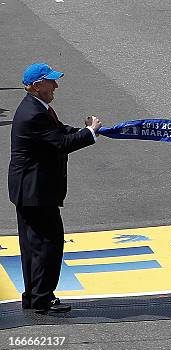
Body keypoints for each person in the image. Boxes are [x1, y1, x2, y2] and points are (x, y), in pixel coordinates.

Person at [8, 63, 102, 313]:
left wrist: (86, 131)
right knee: (47, 244)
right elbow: (61, 142)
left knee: (33, 246)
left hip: (29, 189)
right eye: (51, 82)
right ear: (37, 86)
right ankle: (42, 298)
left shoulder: (37, 108)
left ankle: (33, 295)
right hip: (36, 191)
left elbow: (58, 131)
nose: (56, 86)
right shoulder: (35, 114)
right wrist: (90, 133)